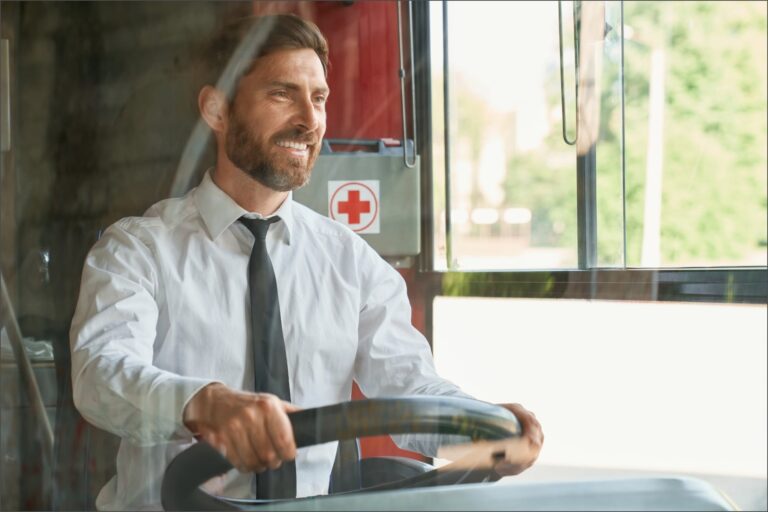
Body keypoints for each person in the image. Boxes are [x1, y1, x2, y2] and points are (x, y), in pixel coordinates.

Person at [70, 13, 543, 511]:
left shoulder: (351, 263)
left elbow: (410, 385)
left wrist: (479, 425)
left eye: (318, 98)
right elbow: (101, 373)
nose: (310, 119)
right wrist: (205, 404)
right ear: (217, 109)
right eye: (282, 94)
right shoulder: (138, 251)